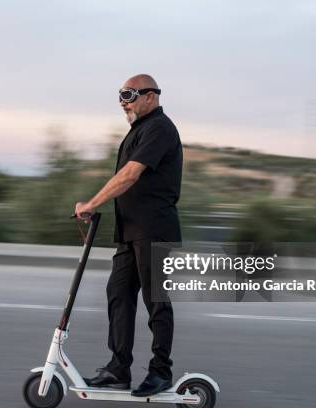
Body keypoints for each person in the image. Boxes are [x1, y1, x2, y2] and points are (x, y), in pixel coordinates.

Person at [74, 73, 182, 397]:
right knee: (118, 295)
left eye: (130, 94)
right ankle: (118, 369)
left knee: (156, 303)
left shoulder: (160, 129)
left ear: (151, 95)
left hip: (155, 230)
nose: (124, 102)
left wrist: (93, 202)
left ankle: (161, 372)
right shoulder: (139, 131)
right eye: (120, 96)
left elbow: (130, 175)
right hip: (130, 231)